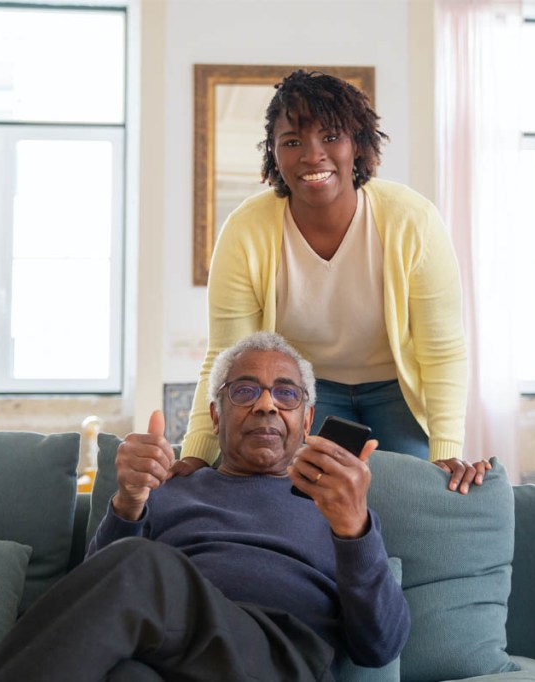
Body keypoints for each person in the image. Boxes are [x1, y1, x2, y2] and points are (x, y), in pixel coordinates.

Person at [0, 332, 410, 682]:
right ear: (216, 416)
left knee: (140, 565)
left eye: (286, 393)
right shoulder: (170, 487)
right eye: (245, 391)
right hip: (167, 661)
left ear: (308, 420)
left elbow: (380, 646)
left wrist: (354, 528)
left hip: (280, 661)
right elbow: (93, 600)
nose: (266, 405)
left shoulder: (337, 503)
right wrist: (128, 503)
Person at [176, 69, 489, 494]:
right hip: (305, 393)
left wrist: (445, 449)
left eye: (330, 137)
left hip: (396, 391)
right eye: (292, 142)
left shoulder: (412, 220)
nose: (312, 155)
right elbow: (226, 357)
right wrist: (195, 453)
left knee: (411, 500)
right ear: (274, 154)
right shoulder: (245, 230)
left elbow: (443, 351)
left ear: (357, 145)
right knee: (301, 502)